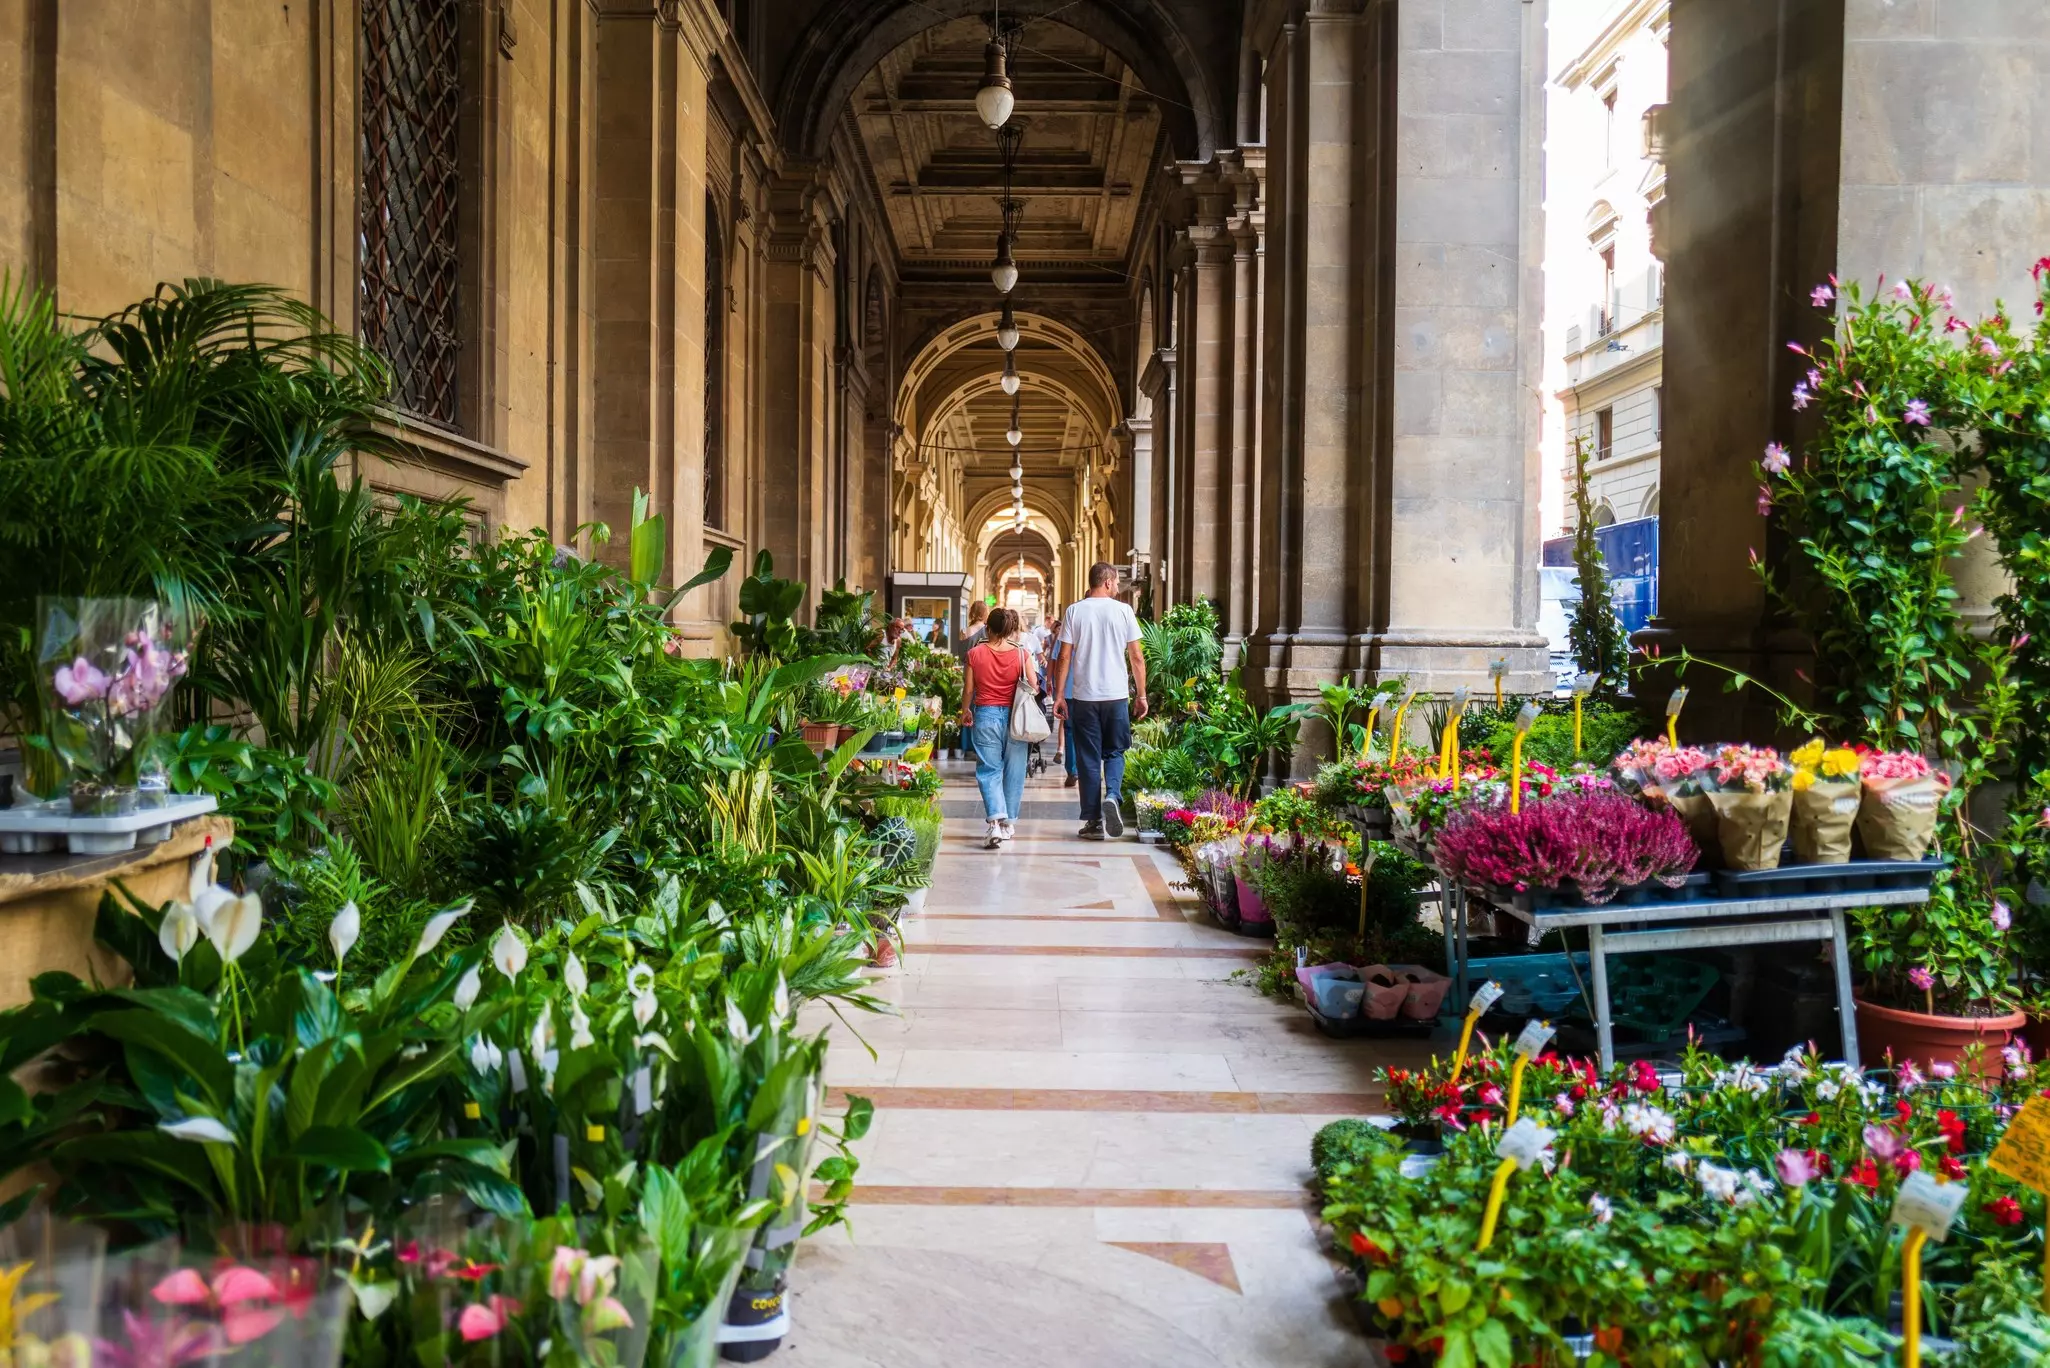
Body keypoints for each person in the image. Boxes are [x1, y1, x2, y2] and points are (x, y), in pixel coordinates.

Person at [1052, 563, 1148, 840]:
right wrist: (1141, 695)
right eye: (1117, 582)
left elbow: (1065, 657)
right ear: (1107, 582)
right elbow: (1137, 657)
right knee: (1115, 752)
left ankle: (1093, 822)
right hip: (1116, 695)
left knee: (1088, 758)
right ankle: (1114, 796)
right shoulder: (1124, 611)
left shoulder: (1074, 611)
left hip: (1084, 696)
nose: (1118, 587)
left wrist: (1059, 695)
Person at [961, 607, 1037, 849]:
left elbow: (969, 689)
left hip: (985, 715)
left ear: (988, 628)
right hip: (1016, 718)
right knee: (1014, 771)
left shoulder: (974, 654)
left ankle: (994, 823)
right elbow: (1033, 686)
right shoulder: (1021, 653)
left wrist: (965, 710)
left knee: (989, 770)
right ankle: (1008, 824)